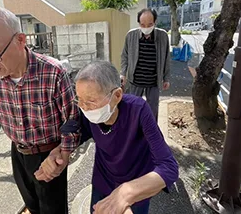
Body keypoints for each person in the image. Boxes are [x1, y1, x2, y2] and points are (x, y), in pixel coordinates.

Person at [0, 6, 80, 214]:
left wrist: (63, 156)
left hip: (49, 154)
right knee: (32, 206)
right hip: (17, 153)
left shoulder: (53, 73)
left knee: (54, 210)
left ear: (20, 40)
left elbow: (72, 121)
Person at [36, 61, 179, 214]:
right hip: (103, 180)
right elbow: (79, 134)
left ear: (117, 95)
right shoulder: (88, 114)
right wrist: (59, 153)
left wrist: (126, 193)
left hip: (136, 184)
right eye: (80, 99)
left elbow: (169, 167)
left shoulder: (138, 110)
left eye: (91, 101)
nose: (84, 107)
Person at [121, 8, 170, 120]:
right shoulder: (131, 36)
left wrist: (166, 78)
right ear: (139, 23)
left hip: (153, 82)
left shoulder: (163, 36)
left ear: (155, 22)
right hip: (135, 81)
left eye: (150, 24)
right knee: (132, 108)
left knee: (152, 111)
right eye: (143, 24)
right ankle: (133, 131)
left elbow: (167, 58)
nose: (146, 28)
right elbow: (125, 56)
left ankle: (151, 134)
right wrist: (123, 73)